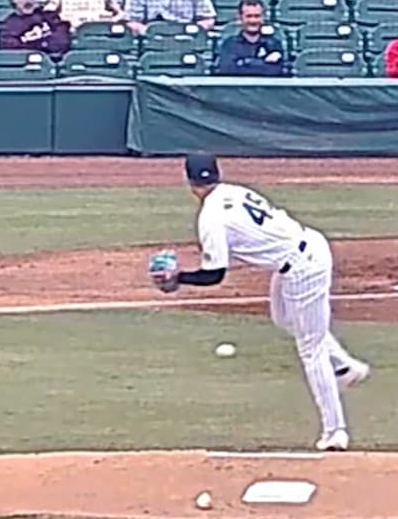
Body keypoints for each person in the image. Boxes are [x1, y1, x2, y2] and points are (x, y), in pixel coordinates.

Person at [148, 153, 371, 452]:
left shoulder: (210, 218)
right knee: (283, 318)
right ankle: (345, 366)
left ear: (189, 183)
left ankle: (335, 431)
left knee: (311, 349)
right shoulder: (235, 191)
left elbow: (215, 274)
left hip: (303, 268)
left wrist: (179, 279)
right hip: (308, 247)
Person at [0, 0, 72, 60]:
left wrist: (31, 43)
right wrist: (42, 43)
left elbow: (62, 42)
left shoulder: (51, 18)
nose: (28, 1)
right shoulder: (8, 26)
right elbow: (12, 50)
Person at [213, 0, 286, 76]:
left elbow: (277, 71)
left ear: (263, 18)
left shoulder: (274, 44)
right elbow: (228, 70)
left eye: (257, 16)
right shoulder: (230, 45)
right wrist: (263, 62)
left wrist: (244, 62)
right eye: (249, 16)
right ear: (240, 18)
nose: (253, 21)